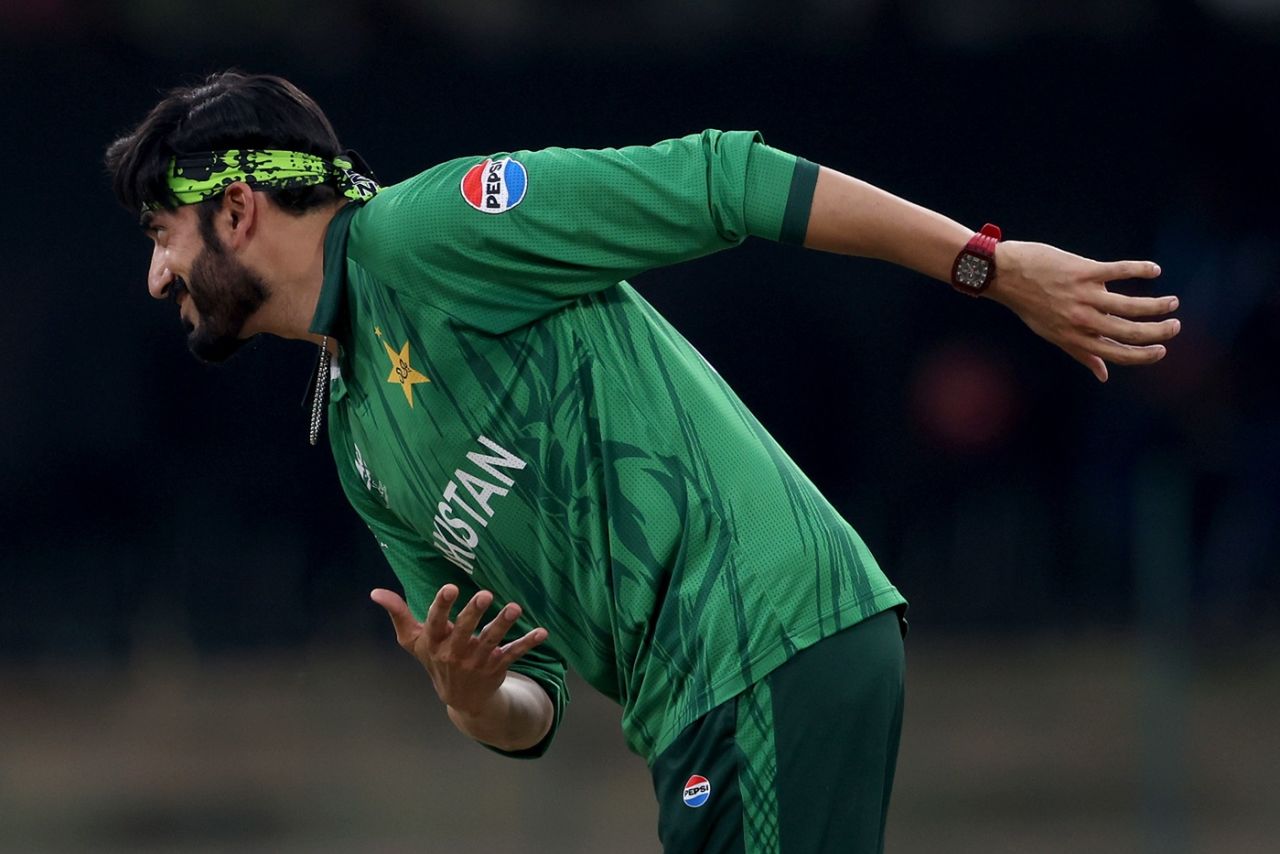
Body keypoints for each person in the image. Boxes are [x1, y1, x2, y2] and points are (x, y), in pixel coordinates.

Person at [105, 71, 1179, 853]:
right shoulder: (357, 441)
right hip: (700, 700)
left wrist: (986, 266)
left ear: (236, 207)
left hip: (766, 632)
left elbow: (725, 176)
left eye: (162, 232)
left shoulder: (430, 232)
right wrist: (471, 696)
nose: (156, 276)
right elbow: (531, 696)